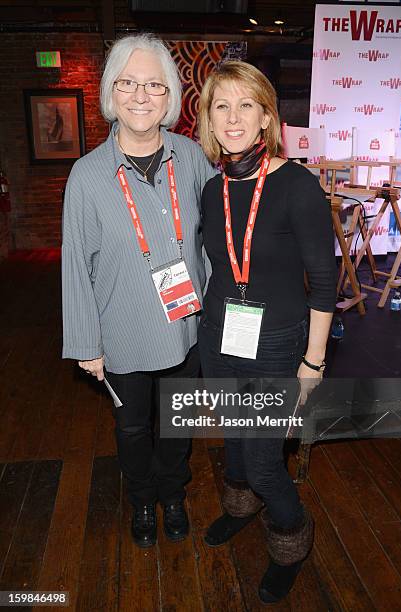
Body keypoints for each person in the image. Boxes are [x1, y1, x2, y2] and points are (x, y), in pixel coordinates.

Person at [62, 34, 216, 549]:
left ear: (170, 98)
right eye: (128, 83)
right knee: (131, 432)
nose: (141, 96)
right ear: (111, 93)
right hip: (123, 330)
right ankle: (143, 501)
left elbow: (217, 236)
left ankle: (173, 494)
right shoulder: (86, 176)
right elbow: (75, 266)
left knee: (177, 426)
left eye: (154, 84)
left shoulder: (193, 158)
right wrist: (87, 344)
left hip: (188, 326)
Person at [197, 61, 337, 603]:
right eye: (220, 106)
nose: (233, 118)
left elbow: (323, 284)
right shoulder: (212, 189)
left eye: (245, 105)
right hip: (219, 335)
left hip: (279, 343)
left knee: (262, 460)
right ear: (208, 118)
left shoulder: (297, 184)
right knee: (234, 442)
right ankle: (241, 510)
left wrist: (314, 362)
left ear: (266, 117)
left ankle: (291, 539)